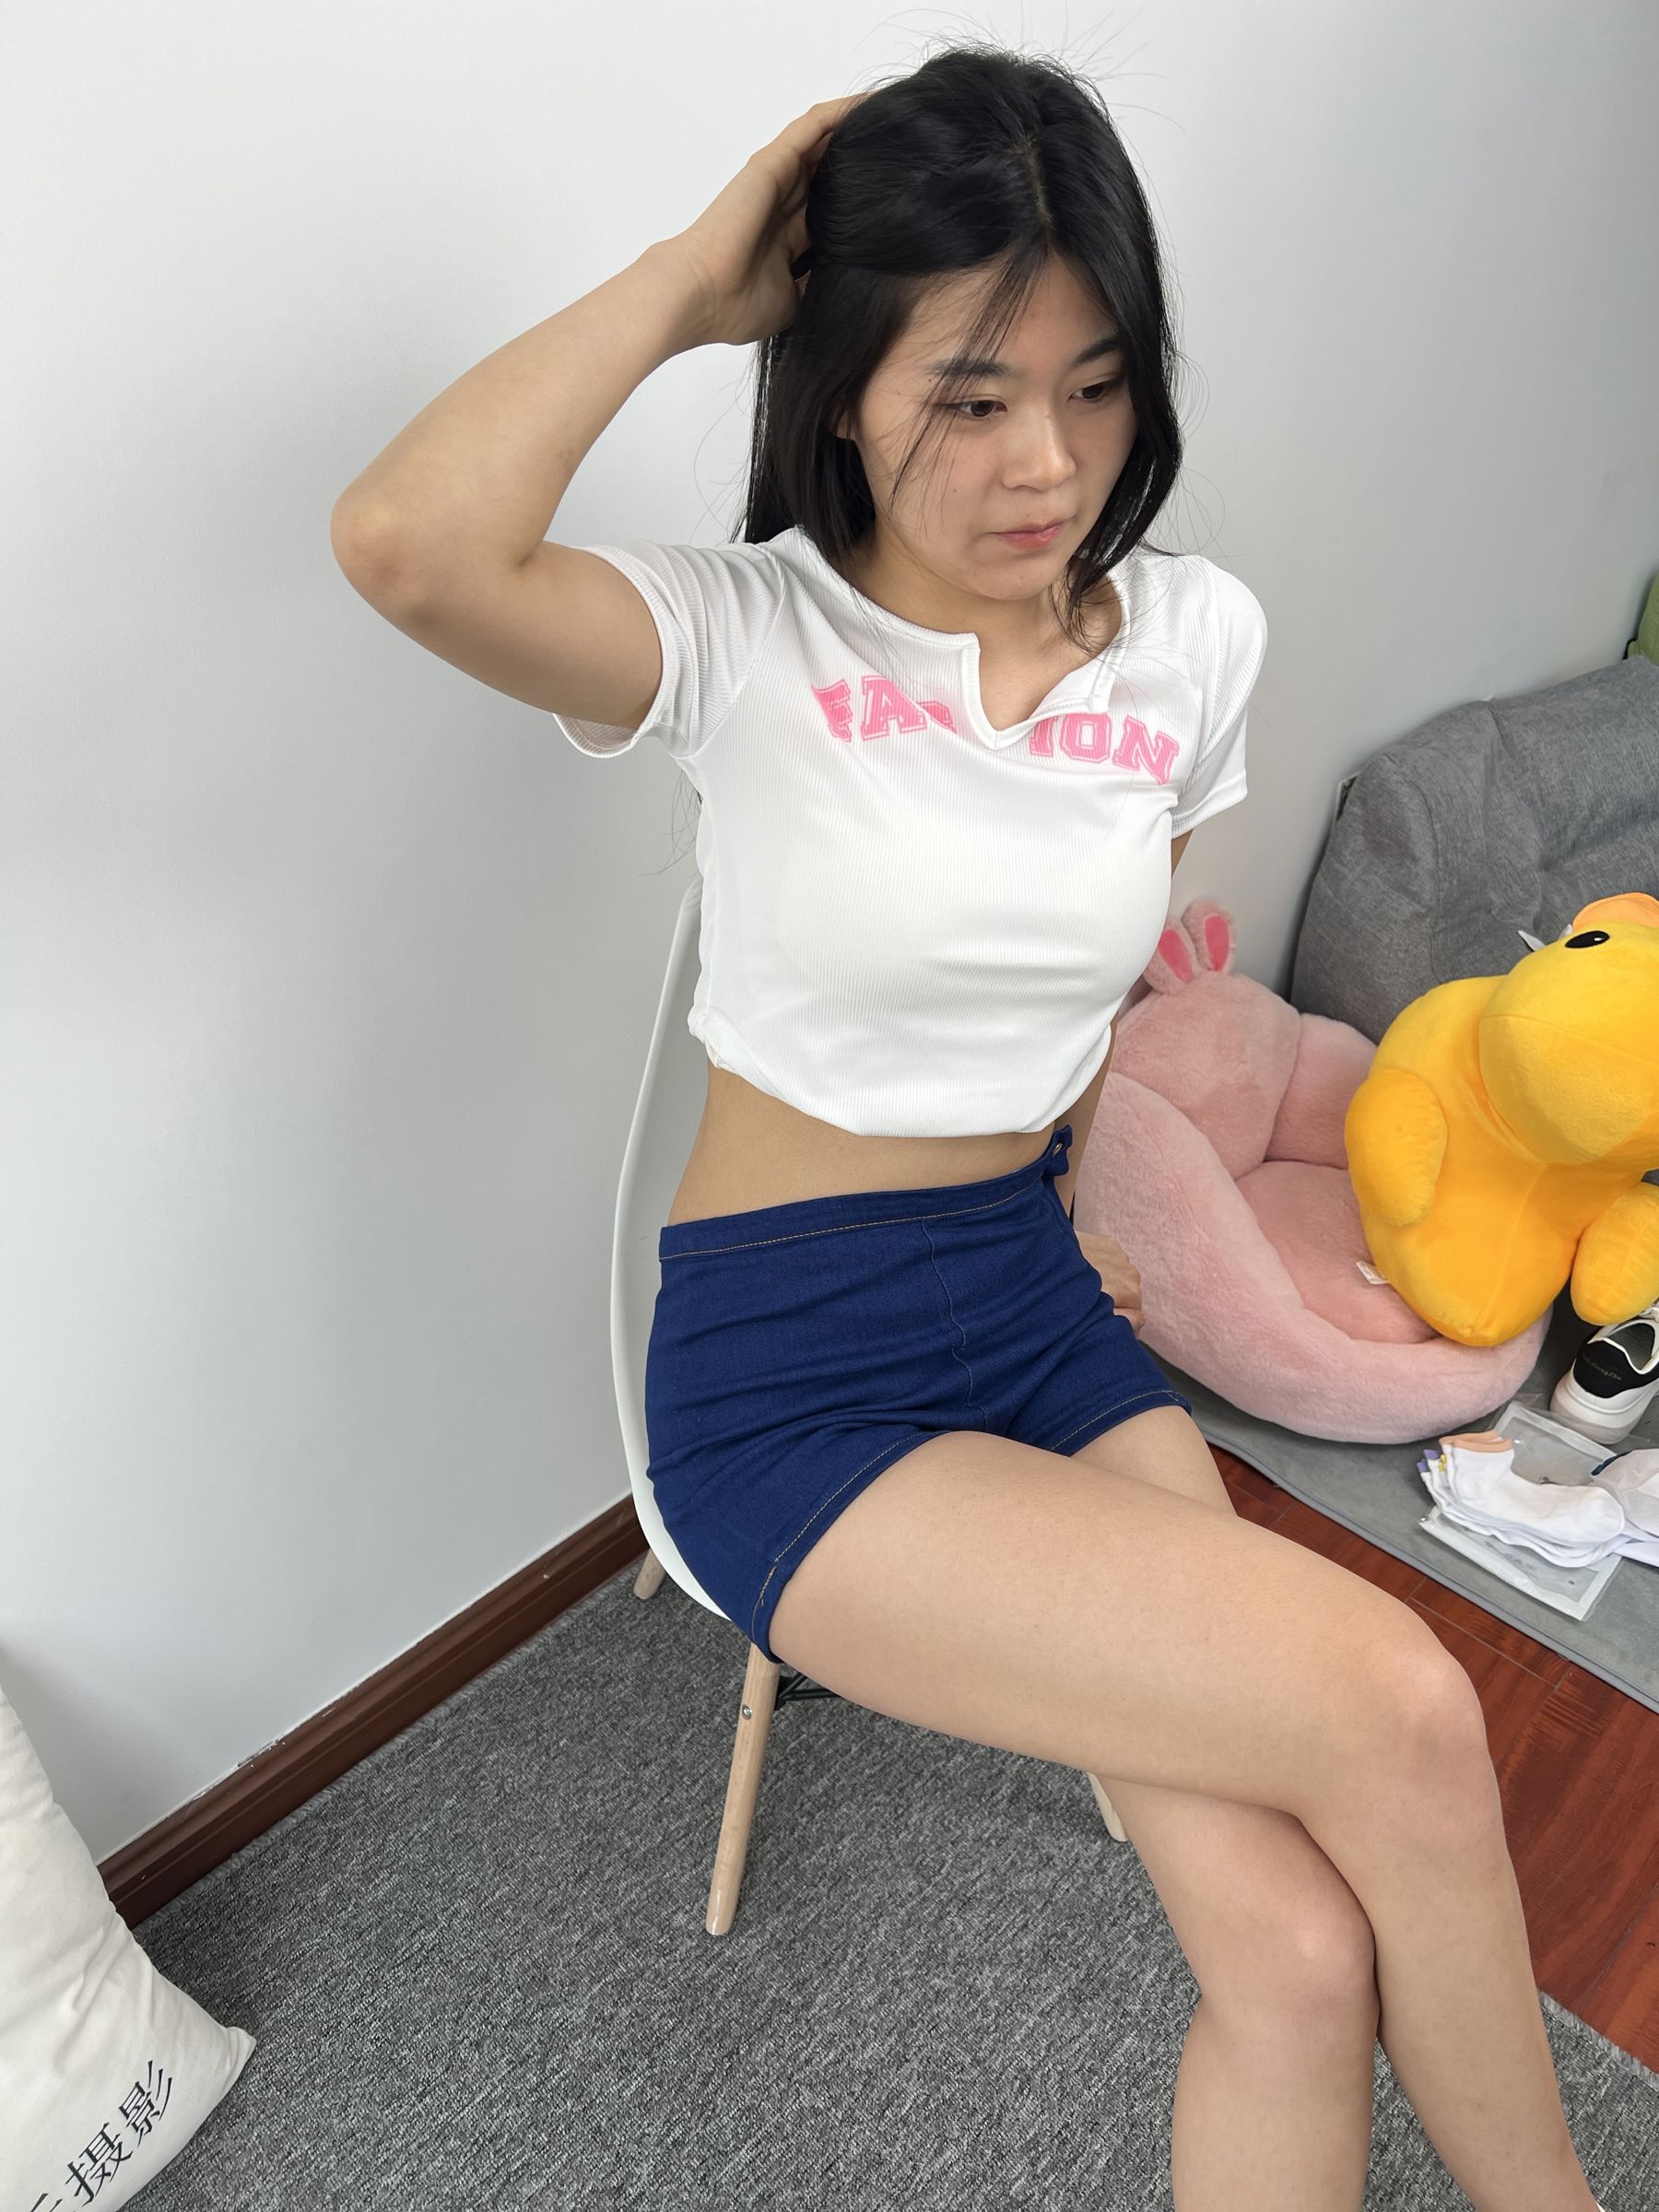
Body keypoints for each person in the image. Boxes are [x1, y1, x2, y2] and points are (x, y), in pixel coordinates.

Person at [329, 47, 1606, 2212]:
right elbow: (406, 542)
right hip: (791, 1383)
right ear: (840, 384)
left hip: (1028, 1301)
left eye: (1096, 389)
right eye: (972, 396)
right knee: (1401, 1707)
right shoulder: (744, 635)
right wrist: (692, 281)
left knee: (1298, 1956)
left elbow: (1081, 999)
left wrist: (1088, 1203)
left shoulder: (1193, 640)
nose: (1049, 463)